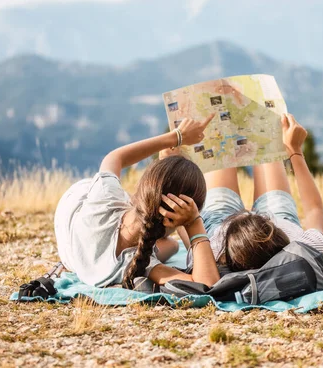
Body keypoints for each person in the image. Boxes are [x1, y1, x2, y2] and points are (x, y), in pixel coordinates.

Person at [54, 114, 221, 289]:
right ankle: (166, 207)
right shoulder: (137, 264)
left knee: (170, 245)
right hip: (73, 242)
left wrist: (176, 136)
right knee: (171, 246)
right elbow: (208, 283)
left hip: (73, 204)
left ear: (141, 188)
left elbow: (114, 158)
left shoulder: (104, 200)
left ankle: (160, 195)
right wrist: (192, 223)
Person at [189, 113, 323, 275]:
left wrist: (295, 152)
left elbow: (190, 227)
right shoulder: (304, 248)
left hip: (219, 225)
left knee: (220, 138)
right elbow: (314, 209)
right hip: (279, 222)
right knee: (264, 137)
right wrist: (295, 151)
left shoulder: (212, 252)